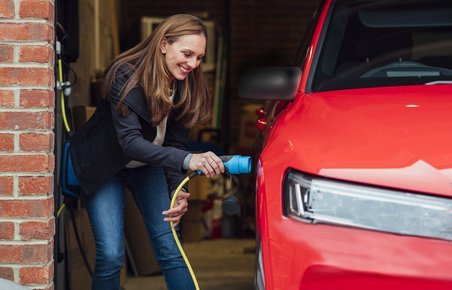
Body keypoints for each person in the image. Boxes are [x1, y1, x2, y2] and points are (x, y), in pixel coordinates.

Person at [69, 14, 225, 290]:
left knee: (170, 248)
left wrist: (179, 191)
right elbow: (129, 141)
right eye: (187, 54)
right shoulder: (125, 74)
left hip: (147, 167)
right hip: (107, 168)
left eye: (199, 58)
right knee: (111, 255)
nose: (193, 64)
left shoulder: (185, 83)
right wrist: (190, 160)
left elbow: (175, 145)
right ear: (164, 44)